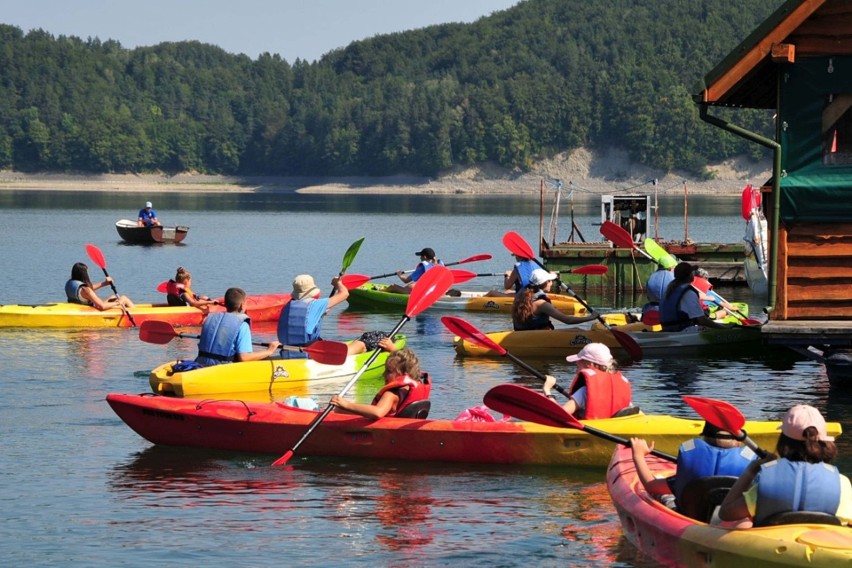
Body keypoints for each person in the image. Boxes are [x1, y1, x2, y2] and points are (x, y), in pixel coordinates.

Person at [718, 404, 852, 527]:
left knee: (742, 524)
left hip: (773, 550)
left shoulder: (767, 483)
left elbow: (725, 513)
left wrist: (750, 471)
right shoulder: (842, 484)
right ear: (825, 443)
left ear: (784, 443)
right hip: (824, 549)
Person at [629, 423, 757, 512]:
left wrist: (638, 455)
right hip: (731, 524)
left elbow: (651, 486)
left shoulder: (690, 469)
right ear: (739, 442)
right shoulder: (751, 470)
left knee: (665, 496)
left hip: (689, 517)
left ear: (703, 438)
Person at [542, 343, 635, 419]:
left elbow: (559, 415)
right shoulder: (619, 388)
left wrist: (547, 390)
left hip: (590, 436)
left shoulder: (583, 392)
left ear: (588, 365)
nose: (576, 370)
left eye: (578, 366)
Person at [330, 348, 429, 419]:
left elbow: (378, 412)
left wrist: (346, 404)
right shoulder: (408, 388)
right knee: (340, 410)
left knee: (339, 409)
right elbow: (409, 365)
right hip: (400, 426)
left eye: (389, 371)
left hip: (386, 431)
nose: (384, 374)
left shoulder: (391, 394)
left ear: (404, 374)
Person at [195, 287, 280, 366]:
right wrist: (269, 351)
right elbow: (244, 358)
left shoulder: (210, 319)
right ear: (242, 305)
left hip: (201, 366)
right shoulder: (242, 324)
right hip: (222, 371)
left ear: (226, 304)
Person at [512, 268, 597, 331]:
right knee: (577, 330)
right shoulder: (542, 304)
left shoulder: (521, 296)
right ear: (545, 283)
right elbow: (567, 320)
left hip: (524, 335)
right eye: (550, 281)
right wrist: (591, 317)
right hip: (539, 338)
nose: (551, 283)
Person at [659, 262, 732, 332]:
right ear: (689, 275)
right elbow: (702, 320)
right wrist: (724, 329)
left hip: (667, 329)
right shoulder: (688, 292)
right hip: (682, 331)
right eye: (692, 273)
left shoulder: (669, 290)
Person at [65, 262, 135, 311]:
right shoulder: (86, 290)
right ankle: (135, 313)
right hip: (95, 309)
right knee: (124, 298)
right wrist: (119, 302)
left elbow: (87, 290)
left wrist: (104, 283)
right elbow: (102, 306)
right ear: (84, 274)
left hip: (79, 307)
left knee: (113, 297)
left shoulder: (70, 283)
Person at [641, 253, 676, 321]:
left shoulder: (651, 277)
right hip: (668, 313)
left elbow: (648, 297)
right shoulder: (674, 278)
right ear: (671, 267)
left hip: (650, 310)